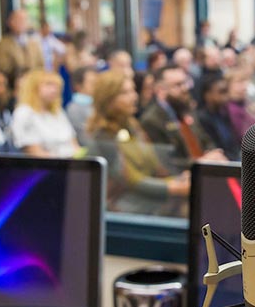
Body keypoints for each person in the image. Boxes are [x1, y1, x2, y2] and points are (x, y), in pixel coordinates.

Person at [84, 70, 190, 216]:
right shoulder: (102, 136)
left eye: (133, 90)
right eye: (125, 93)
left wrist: (180, 179)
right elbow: (131, 180)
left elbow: (154, 167)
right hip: (122, 209)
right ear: (108, 99)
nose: (134, 97)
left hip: (144, 201)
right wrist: (174, 187)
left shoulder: (133, 126)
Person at [139, 65, 224, 171]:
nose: (185, 89)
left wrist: (214, 153)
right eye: (177, 85)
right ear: (160, 90)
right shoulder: (152, 121)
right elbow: (166, 162)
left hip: (205, 173)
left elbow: (205, 140)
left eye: (185, 83)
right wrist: (201, 162)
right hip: (182, 179)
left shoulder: (185, 109)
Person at [11, 70, 80, 158]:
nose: (54, 90)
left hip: (71, 164)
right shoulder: (24, 113)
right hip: (44, 167)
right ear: (33, 87)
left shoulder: (58, 112)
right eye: (48, 84)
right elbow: (34, 152)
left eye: (57, 86)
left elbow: (74, 143)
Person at [0, 10, 44, 92]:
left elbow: (40, 66)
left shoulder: (34, 43)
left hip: (34, 86)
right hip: (13, 87)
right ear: (10, 22)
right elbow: (2, 68)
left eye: (24, 20)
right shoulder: (4, 44)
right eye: (18, 20)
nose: (21, 23)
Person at [195, 74, 240, 160]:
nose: (226, 96)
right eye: (221, 92)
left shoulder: (223, 113)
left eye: (226, 91)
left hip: (235, 157)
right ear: (207, 95)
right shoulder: (202, 118)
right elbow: (213, 147)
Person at [226, 69, 255, 140]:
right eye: (239, 82)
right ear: (228, 85)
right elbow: (245, 135)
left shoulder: (246, 102)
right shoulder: (231, 109)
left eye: (244, 82)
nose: (244, 86)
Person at [65, 67, 97, 146]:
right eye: (93, 83)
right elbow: (85, 139)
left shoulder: (98, 104)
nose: (97, 86)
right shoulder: (74, 109)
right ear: (78, 86)